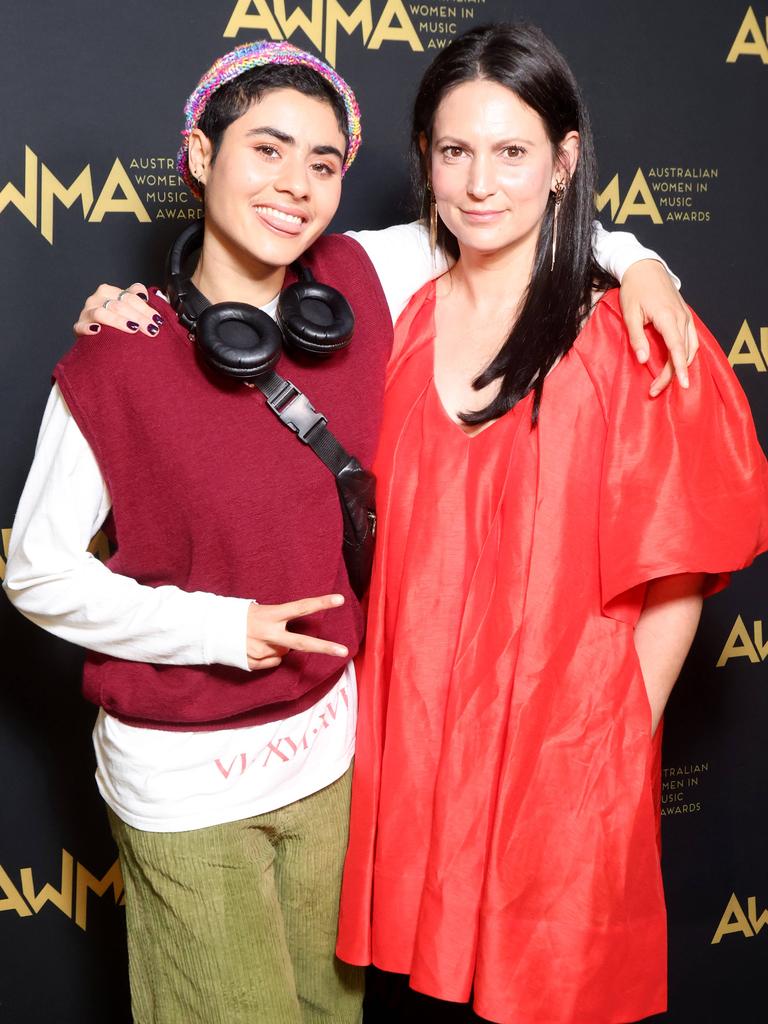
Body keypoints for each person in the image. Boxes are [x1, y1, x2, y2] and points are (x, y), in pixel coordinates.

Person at [7, 35, 697, 1024]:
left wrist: (645, 268)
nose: (297, 185)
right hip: (184, 782)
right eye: (267, 150)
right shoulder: (121, 354)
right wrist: (214, 629)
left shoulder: (365, 280)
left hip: (335, 764)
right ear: (202, 158)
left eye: (324, 164)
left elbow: (526, 224)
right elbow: (35, 572)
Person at [332, 23, 768, 1024]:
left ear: (565, 160)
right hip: (408, 776)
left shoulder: (629, 331)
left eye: (513, 151)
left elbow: (678, 579)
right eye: (456, 152)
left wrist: (601, 758)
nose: (482, 181)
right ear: (427, 164)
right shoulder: (393, 321)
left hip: (558, 777)